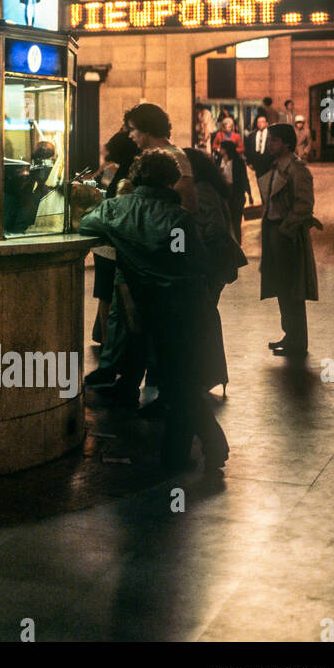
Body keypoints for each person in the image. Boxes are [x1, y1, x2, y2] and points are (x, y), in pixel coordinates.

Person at [79, 149, 228, 474]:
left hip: (147, 311)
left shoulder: (115, 209)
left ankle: (199, 451)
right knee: (181, 383)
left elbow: (85, 225)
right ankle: (183, 457)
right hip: (186, 310)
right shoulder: (179, 218)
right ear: (170, 179)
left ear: (136, 176)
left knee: (179, 385)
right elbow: (199, 262)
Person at [183, 147, 247, 396]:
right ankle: (209, 375)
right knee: (205, 315)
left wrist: (194, 250)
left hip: (211, 264)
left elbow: (216, 229)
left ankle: (207, 374)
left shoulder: (203, 191)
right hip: (212, 263)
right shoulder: (204, 188)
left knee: (203, 316)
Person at [259, 124, 322, 361]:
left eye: (274, 141)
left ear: (285, 143)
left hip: (288, 234)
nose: (269, 144)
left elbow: (304, 205)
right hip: (276, 232)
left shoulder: (297, 170)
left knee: (292, 289)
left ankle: (297, 340)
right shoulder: (277, 167)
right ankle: (290, 335)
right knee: (282, 287)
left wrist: (286, 229)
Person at [87, 130, 138, 360]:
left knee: (105, 292)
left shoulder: (120, 171)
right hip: (113, 240)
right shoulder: (126, 170)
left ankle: (109, 343)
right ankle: (110, 343)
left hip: (109, 240)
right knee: (108, 291)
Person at [122, 102, 196, 212]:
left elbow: (187, 201)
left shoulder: (175, 155)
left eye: (132, 129)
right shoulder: (157, 154)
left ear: (146, 128)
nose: (130, 135)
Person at [216, 139, 252, 243]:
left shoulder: (238, 162)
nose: (219, 150)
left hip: (236, 194)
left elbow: (244, 178)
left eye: (221, 148)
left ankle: (237, 242)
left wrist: (249, 193)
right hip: (223, 193)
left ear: (226, 150)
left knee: (236, 220)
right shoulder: (219, 161)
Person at [246, 112, 273, 179]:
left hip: (268, 163)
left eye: (262, 122)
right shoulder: (252, 135)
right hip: (256, 163)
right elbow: (248, 149)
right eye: (258, 122)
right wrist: (249, 162)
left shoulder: (271, 135)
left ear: (267, 123)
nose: (260, 124)